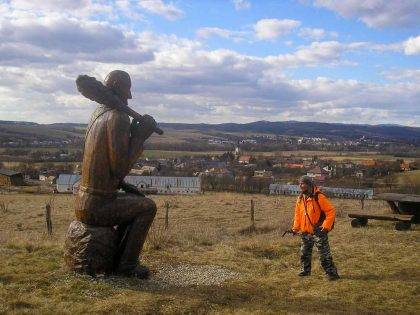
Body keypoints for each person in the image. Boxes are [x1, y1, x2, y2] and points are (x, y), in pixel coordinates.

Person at [74, 70, 157, 278]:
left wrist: (123, 185)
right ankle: (126, 266)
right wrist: (139, 137)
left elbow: (105, 167)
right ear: (118, 88)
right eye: (128, 89)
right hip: (98, 205)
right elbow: (119, 167)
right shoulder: (117, 118)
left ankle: (119, 255)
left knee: (137, 200)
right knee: (148, 207)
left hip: (83, 200)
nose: (130, 96)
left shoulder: (98, 114)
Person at [291, 175, 340, 281]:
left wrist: (325, 227)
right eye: (300, 184)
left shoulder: (319, 196)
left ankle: (332, 274)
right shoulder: (300, 198)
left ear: (309, 184)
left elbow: (331, 211)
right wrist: (295, 228)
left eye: (303, 183)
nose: (301, 186)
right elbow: (298, 215)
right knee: (304, 253)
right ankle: (305, 271)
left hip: (319, 232)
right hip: (305, 232)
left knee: (324, 255)